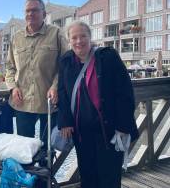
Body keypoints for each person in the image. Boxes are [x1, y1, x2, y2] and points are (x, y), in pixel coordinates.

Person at [57, 20, 139, 188]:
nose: (79, 41)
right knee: (87, 175)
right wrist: (65, 121)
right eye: (74, 37)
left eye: (83, 36)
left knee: (109, 177)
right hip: (82, 133)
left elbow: (125, 93)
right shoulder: (66, 61)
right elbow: (62, 92)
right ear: (69, 41)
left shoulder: (107, 56)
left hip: (109, 130)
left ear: (90, 37)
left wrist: (123, 126)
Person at [5, 0, 68, 151]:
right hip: (23, 103)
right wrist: (13, 88)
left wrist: (55, 86)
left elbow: (65, 66)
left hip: (49, 103)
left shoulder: (56, 33)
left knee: (48, 148)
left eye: (34, 10)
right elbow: (9, 68)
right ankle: (28, 175)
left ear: (44, 14)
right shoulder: (16, 38)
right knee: (24, 149)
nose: (30, 13)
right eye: (27, 11)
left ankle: (47, 175)